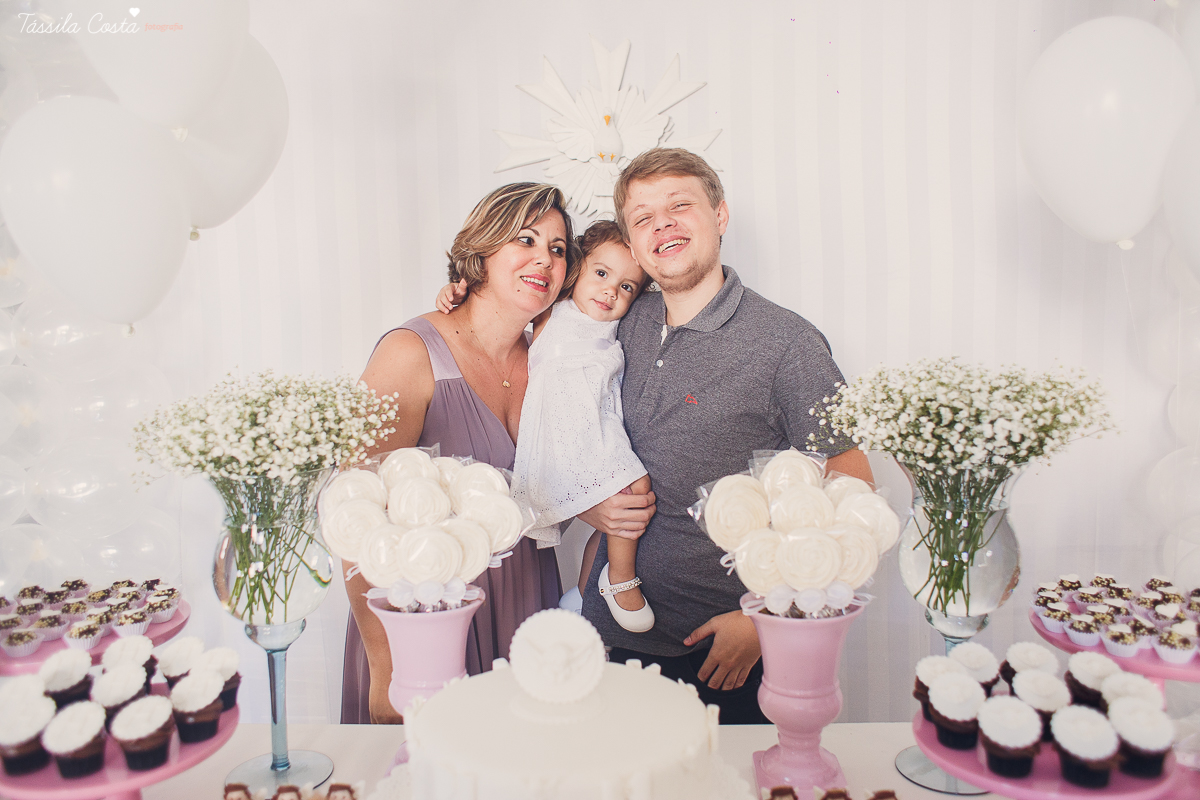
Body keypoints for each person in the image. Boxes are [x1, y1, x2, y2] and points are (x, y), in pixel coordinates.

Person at [578, 148, 873, 723]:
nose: (661, 223)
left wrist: (771, 616)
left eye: (680, 206)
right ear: (634, 247)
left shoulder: (787, 344)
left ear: (720, 216)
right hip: (609, 631)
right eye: (643, 217)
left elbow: (853, 489)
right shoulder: (616, 321)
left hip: (721, 647)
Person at [342, 183, 578, 724]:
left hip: (527, 606)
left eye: (559, 249)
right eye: (526, 239)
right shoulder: (410, 353)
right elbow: (353, 526)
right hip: (421, 622)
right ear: (482, 250)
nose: (545, 257)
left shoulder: (555, 357)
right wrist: (386, 666)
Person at [436, 220, 656, 631]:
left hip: (599, 425)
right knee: (629, 490)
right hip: (558, 429)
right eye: (602, 274)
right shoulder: (552, 311)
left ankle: (592, 587)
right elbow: (495, 310)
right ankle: (621, 578)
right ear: (577, 270)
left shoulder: (619, 324)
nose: (610, 291)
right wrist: (458, 288)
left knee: (634, 491)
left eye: (627, 287)